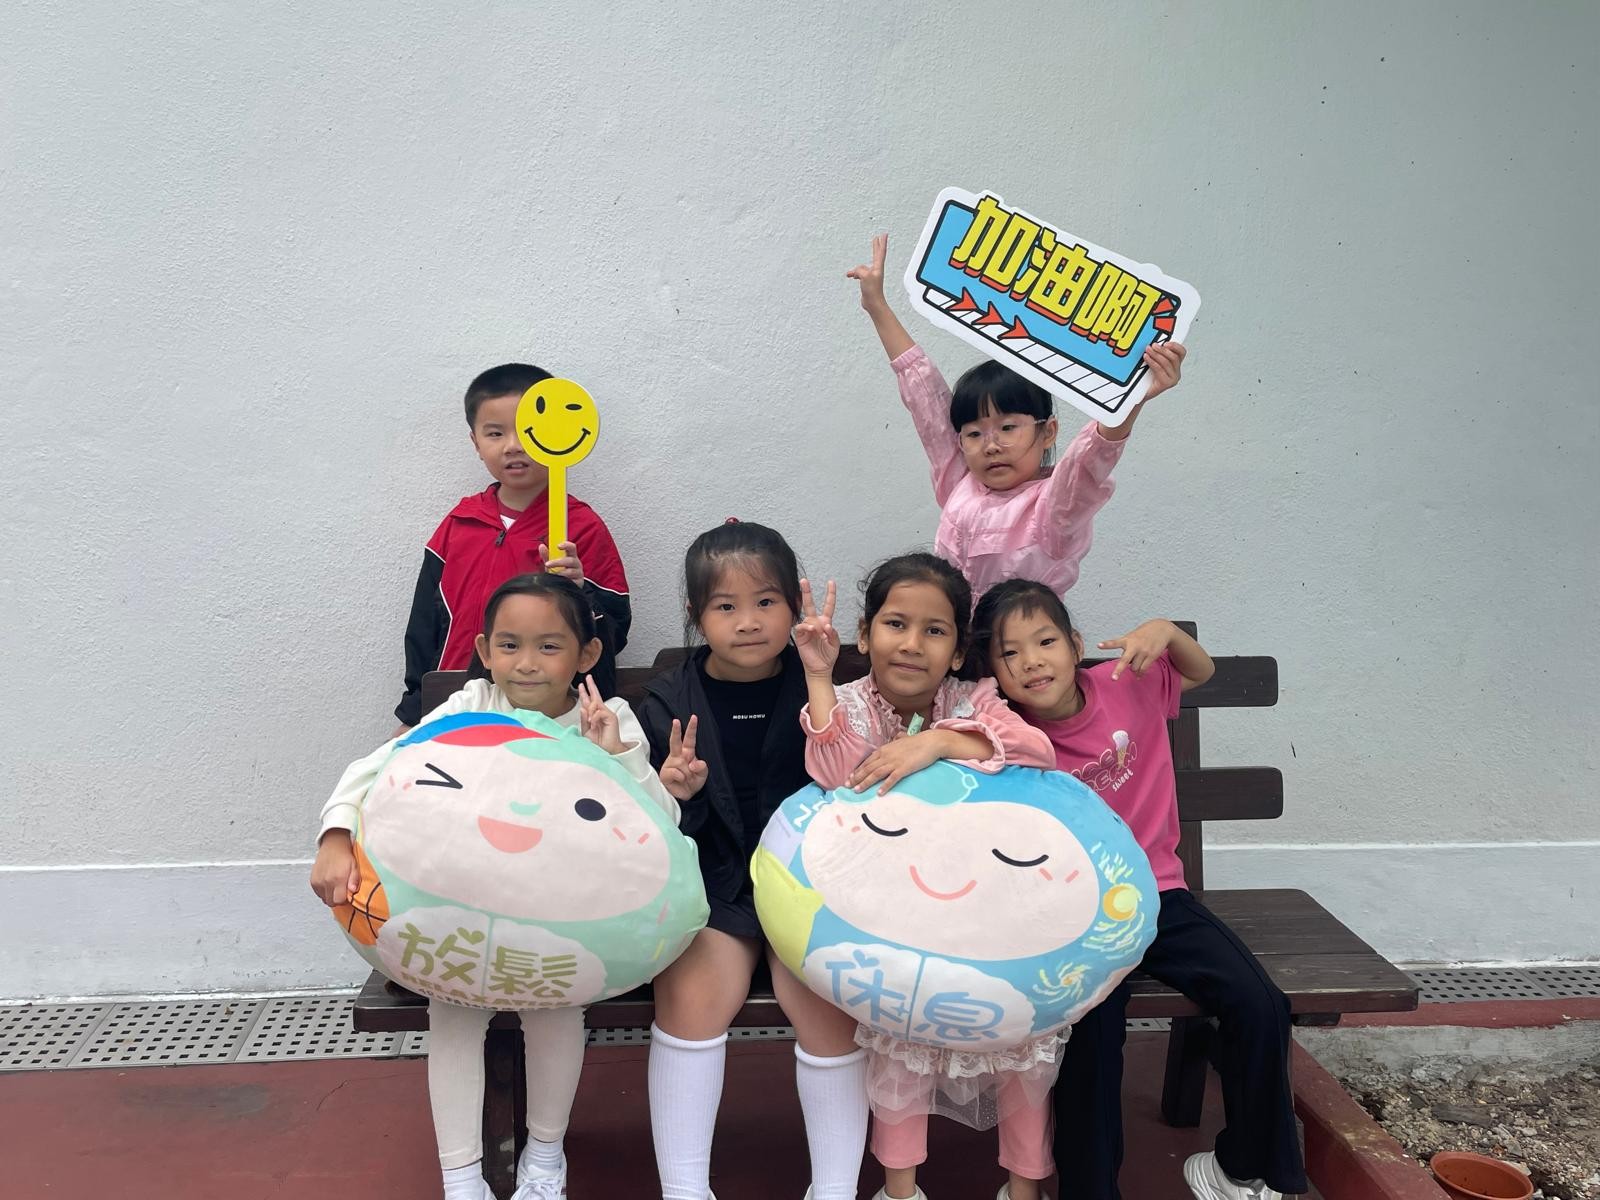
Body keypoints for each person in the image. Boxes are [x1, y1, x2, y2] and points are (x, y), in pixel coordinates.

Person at [312, 573, 677, 1200]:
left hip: (562, 919)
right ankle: (461, 1178)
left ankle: (545, 1159)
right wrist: (336, 833)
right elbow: (382, 764)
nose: (527, 662)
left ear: (587, 654)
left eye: (549, 646)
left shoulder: (608, 718)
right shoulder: (471, 705)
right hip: (462, 910)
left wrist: (615, 757)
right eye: (509, 645)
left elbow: (660, 824)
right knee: (453, 1011)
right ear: (484, 650)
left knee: (558, 1011)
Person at [972, 580, 1307, 1200]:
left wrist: (1167, 631)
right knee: (1089, 1040)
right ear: (993, 672)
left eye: (1045, 642)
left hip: (1160, 896)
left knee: (1259, 1003)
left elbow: (1199, 671)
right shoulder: (1006, 734)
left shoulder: (1127, 683)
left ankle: (1241, 1169)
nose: (1032, 662)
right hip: (1074, 917)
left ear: (1075, 646)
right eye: (1009, 653)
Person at [795, 552, 1058, 1200]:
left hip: (982, 907)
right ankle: (900, 1188)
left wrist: (938, 741)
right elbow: (838, 775)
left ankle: (1024, 1186)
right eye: (896, 624)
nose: (912, 644)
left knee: (1027, 1037)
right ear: (865, 635)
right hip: (891, 912)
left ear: (958, 649)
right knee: (900, 1038)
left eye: (934, 630)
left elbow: (1037, 749)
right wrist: (820, 677)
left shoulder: (972, 700)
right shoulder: (849, 704)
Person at [635, 520, 868, 1200]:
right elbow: (648, 827)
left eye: (766, 602)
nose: (747, 622)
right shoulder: (669, 700)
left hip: (810, 882)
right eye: (725, 606)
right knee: (690, 998)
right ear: (695, 613)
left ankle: (833, 1189)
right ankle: (685, 1189)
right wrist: (676, 794)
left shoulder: (825, 683)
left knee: (830, 1003)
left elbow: (848, 785)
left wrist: (821, 675)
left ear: (794, 605)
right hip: (715, 886)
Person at [846, 234, 1185, 601]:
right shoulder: (959, 481)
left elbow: (1088, 462)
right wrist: (877, 306)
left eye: (1007, 428)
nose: (990, 446)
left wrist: (1132, 396)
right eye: (974, 434)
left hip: (1023, 637)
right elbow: (925, 399)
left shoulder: (1053, 509)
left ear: (1048, 431)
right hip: (953, 635)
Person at [394, 363, 631, 729]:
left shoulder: (580, 528)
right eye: (495, 433)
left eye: (526, 431)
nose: (513, 446)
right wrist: (415, 711)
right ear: (475, 442)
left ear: (555, 433)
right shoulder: (459, 524)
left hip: (547, 712)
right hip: (453, 701)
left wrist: (582, 593)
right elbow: (423, 626)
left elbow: (614, 634)